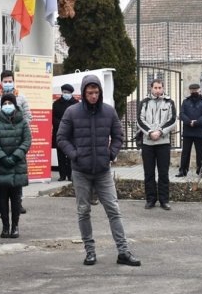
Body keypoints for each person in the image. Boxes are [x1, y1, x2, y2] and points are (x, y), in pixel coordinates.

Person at [56, 74, 140, 267]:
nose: (93, 96)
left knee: (113, 210)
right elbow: (61, 138)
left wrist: (110, 154)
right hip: (80, 171)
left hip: (103, 171)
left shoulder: (109, 112)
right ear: (83, 93)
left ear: (100, 92)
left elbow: (118, 136)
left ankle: (123, 252)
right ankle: (90, 252)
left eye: (96, 92)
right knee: (83, 211)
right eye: (90, 93)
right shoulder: (72, 112)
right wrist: (75, 154)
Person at [0, 92, 31, 238]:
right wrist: (2, 157)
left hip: (17, 164)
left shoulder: (22, 122)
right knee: (2, 198)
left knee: (16, 198)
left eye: (10, 103)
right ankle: (5, 226)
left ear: (15, 105)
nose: (7, 106)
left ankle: (15, 226)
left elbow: (27, 141)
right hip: (1, 164)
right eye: (4, 103)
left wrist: (15, 156)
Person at [137, 79, 177, 209]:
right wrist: (150, 132)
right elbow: (140, 120)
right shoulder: (144, 102)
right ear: (151, 88)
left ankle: (164, 200)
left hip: (163, 142)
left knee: (163, 173)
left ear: (163, 88)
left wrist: (160, 132)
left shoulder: (169, 102)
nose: (158, 90)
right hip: (148, 143)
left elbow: (172, 120)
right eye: (155, 87)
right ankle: (150, 199)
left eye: (160, 87)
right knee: (149, 173)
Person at [177, 83, 202, 178]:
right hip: (188, 131)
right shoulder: (185, 101)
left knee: (200, 153)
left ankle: (201, 172)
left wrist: (196, 122)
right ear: (190, 91)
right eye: (192, 90)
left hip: (199, 131)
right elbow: (182, 114)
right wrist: (189, 122)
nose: (194, 91)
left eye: (196, 90)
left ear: (199, 90)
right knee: (185, 153)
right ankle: (183, 171)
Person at [52, 83, 78, 182]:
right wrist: (62, 124)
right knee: (61, 155)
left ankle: (70, 175)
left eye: (68, 92)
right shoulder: (56, 103)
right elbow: (53, 118)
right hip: (60, 132)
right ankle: (62, 175)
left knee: (70, 154)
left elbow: (78, 118)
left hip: (72, 134)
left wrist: (69, 125)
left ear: (71, 93)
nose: (65, 94)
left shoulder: (76, 103)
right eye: (64, 92)